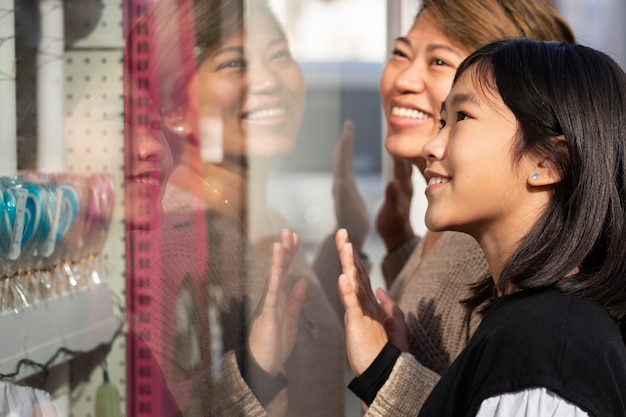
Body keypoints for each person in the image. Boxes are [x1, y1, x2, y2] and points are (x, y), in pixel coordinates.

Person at [338, 38, 626, 416]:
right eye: (442, 121)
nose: (432, 145)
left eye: (462, 118)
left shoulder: (545, 347)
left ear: (550, 161)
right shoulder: (533, 328)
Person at [125, 0, 352, 416]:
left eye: (279, 55)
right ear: (174, 107)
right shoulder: (173, 248)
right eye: (233, 63)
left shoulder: (265, 222)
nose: (269, 80)